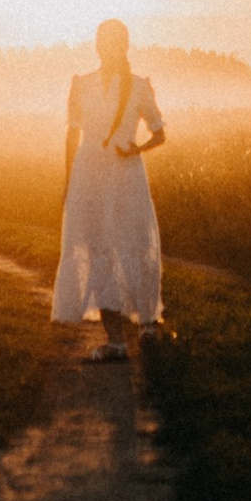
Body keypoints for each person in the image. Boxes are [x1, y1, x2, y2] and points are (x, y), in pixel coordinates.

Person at [52, 18, 166, 361]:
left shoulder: (139, 86)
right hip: (89, 174)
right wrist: (68, 180)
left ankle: (147, 323)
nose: (108, 48)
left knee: (133, 243)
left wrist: (136, 149)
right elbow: (72, 135)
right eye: (104, 41)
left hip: (126, 174)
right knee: (97, 246)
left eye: (115, 42)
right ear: (97, 45)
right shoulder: (81, 84)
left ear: (125, 46)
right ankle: (116, 341)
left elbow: (160, 133)